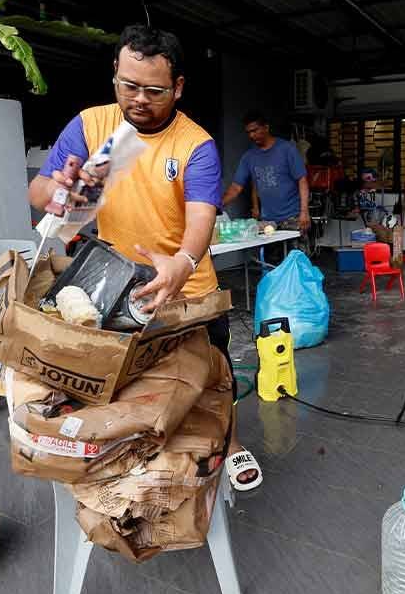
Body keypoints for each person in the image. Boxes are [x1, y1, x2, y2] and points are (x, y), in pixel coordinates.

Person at [28, 25, 262, 491]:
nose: (138, 99)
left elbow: (201, 218)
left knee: (215, 376)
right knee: (137, 381)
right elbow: (38, 190)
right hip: (118, 286)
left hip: (188, 287)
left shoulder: (195, 143)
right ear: (114, 73)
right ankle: (149, 452)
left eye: (153, 90)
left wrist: (183, 262)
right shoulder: (91, 125)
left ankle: (231, 444)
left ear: (177, 87)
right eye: (127, 85)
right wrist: (58, 191)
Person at [221, 111, 310, 232]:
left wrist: (304, 212)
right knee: (271, 251)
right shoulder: (249, 157)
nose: (252, 135)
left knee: (296, 251)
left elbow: (302, 180)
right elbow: (236, 188)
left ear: (266, 128)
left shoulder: (287, 149)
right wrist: (216, 205)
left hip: (293, 217)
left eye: (255, 130)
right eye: (249, 132)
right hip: (268, 221)